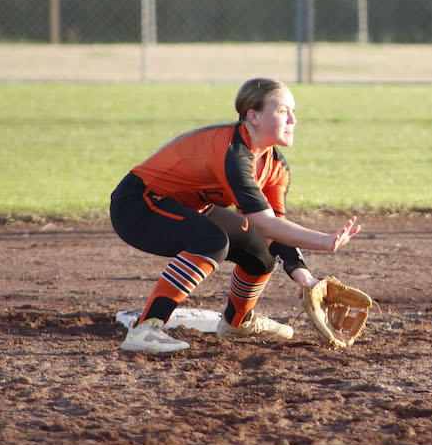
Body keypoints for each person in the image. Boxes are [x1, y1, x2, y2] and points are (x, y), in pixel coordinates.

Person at [110, 77, 361, 352]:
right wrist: (325, 242)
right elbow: (264, 222)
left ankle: (237, 323)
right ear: (253, 116)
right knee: (212, 241)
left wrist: (307, 279)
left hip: (186, 207)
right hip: (138, 204)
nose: (293, 120)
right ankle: (146, 328)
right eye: (282, 111)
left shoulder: (275, 166)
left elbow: (274, 230)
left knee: (260, 255)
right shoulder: (234, 152)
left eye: (293, 111)